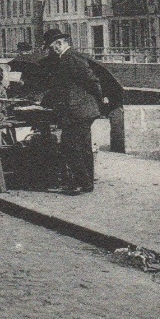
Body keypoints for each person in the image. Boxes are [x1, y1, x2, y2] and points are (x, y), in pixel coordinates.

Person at [41, 29, 104, 195]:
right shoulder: (66, 58)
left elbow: (92, 81)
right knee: (83, 147)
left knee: (70, 146)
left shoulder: (71, 57)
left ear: (60, 44)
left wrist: (97, 101)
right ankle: (86, 183)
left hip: (79, 111)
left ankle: (82, 182)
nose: (51, 51)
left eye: (52, 47)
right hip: (80, 110)